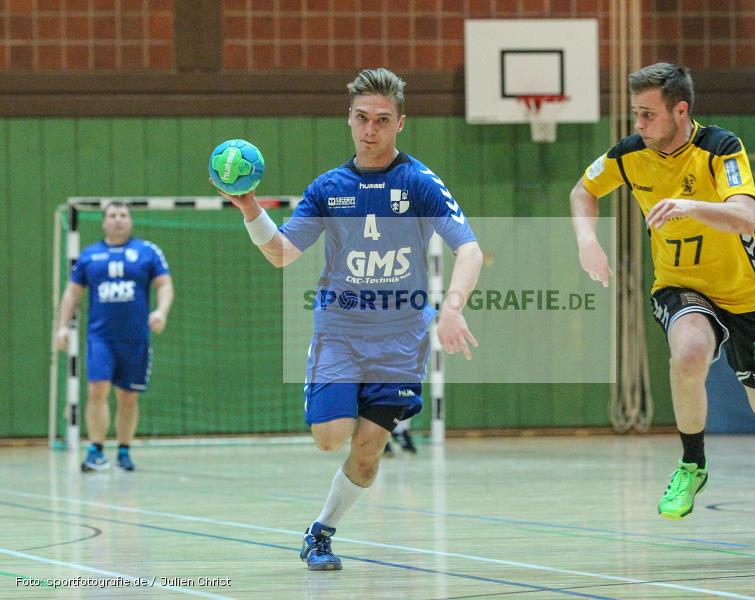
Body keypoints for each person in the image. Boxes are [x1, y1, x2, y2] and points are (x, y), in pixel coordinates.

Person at [216, 68, 482, 571]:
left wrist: (451, 309)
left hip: (400, 341)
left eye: (382, 119)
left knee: (368, 451)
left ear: (400, 123)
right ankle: (340, 393)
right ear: (349, 119)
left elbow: (469, 249)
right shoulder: (328, 188)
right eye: (362, 118)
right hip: (341, 331)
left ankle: (320, 533)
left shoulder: (419, 183)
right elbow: (282, 253)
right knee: (330, 437)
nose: (370, 129)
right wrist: (249, 206)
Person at [570, 63, 755, 558]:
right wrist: (586, 242)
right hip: (680, 286)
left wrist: (691, 206)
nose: (638, 123)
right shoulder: (629, 154)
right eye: (635, 113)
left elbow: (745, 216)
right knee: (688, 352)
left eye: (648, 114)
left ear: (680, 111)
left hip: (747, 296)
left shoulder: (722, 148)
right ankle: (692, 463)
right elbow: (583, 191)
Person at [54, 202, 174, 472]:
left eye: (123, 215)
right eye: (112, 215)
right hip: (101, 338)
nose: (118, 220)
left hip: (135, 338)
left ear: (130, 220)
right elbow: (72, 292)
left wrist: (161, 311)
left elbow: (164, 284)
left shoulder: (147, 252)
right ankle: (96, 450)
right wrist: (62, 327)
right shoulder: (89, 255)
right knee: (97, 388)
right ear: (104, 222)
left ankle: (124, 450)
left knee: (128, 395)